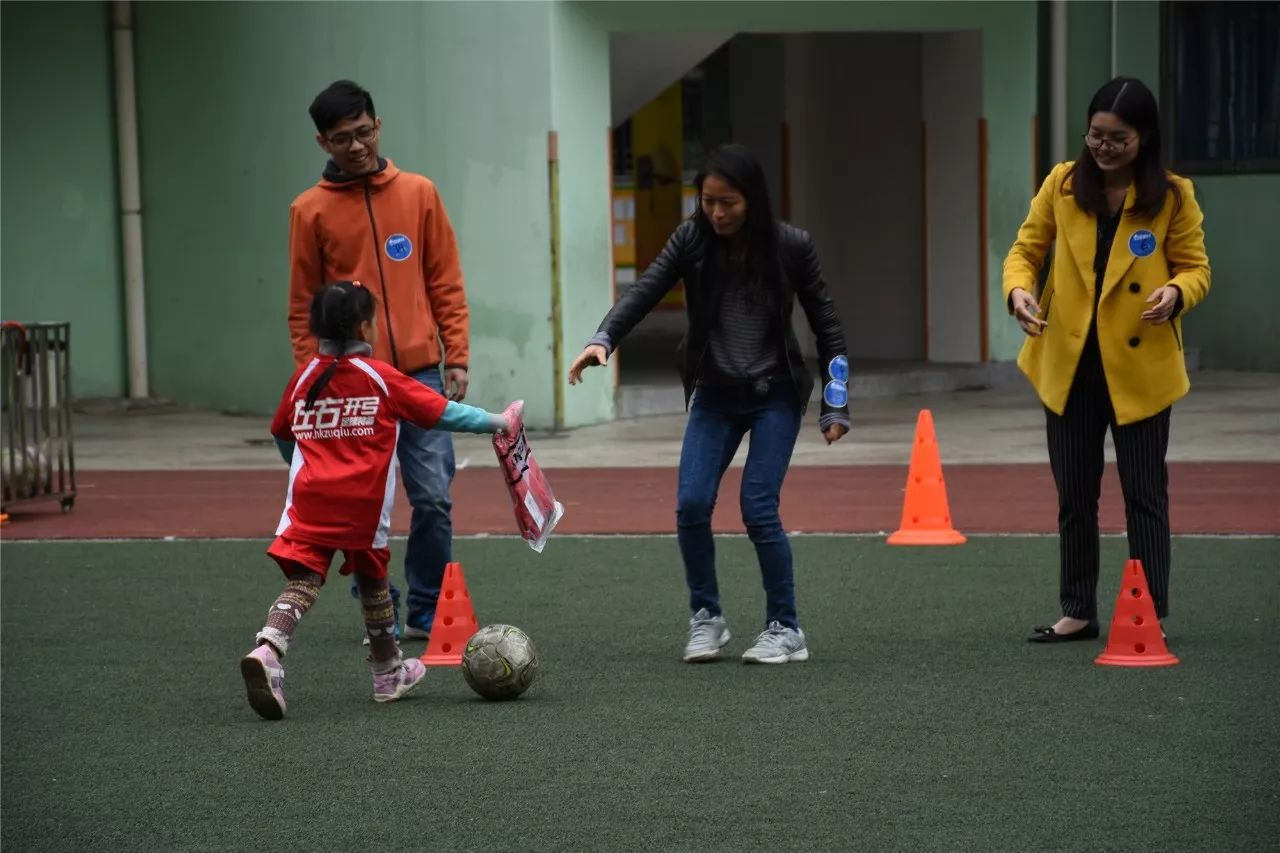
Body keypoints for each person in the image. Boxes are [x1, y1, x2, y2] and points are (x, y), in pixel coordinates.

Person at [568, 144, 851, 665]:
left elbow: (827, 326)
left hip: (775, 396)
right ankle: (707, 618)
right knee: (692, 504)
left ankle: (785, 627)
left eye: (729, 203)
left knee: (758, 507)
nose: (717, 213)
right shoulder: (692, 238)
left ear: (754, 200)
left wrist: (836, 404)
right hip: (715, 396)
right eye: (708, 202)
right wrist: (603, 339)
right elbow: (646, 289)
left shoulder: (790, 245)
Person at [242, 282, 512, 720]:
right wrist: (499, 421)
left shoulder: (304, 377)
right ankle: (387, 672)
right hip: (361, 506)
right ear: (367, 325)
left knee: (306, 581)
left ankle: (269, 649)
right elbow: (443, 411)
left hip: (309, 500)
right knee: (373, 579)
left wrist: (303, 462)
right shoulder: (379, 377)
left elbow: (280, 432)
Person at [1003, 77, 1211, 643]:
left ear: (1144, 139)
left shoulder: (1172, 195)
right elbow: (1026, 250)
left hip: (1139, 367)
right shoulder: (1063, 185)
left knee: (1145, 495)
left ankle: (1149, 611)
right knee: (1075, 493)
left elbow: (1196, 267)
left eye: (1117, 138)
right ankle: (1077, 608)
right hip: (1068, 364)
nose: (1104, 147)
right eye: (1095, 135)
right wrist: (1019, 291)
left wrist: (1175, 292)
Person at [287, 80, 471, 642]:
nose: (357, 146)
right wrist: (310, 377)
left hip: (418, 371)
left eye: (364, 132)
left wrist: (455, 354)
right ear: (323, 142)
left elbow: (445, 279)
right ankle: (379, 606)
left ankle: (424, 609)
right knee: (359, 508)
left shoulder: (419, 193)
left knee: (434, 498)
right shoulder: (309, 210)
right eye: (342, 138)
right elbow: (303, 305)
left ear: (378, 126)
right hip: (350, 381)